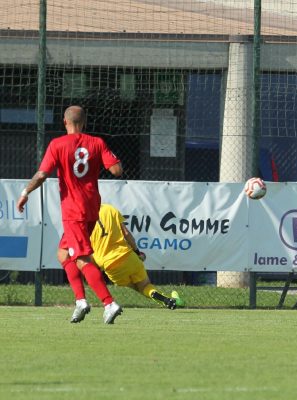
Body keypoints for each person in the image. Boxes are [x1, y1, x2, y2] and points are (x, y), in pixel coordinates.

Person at [17, 105, 124, 324]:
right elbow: (116, 170)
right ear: (84, 122)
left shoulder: (57, 144)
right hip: (93, 207)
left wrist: (25, 191)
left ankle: (108, 302)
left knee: (82, 258)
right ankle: (80, 301)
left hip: (73, 210)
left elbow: (42, 174)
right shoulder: (97, 142)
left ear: (64, 122)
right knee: (64, 254)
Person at [88, 204, 184, 309]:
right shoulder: (109, 209)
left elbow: (87, 252)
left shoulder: (82, 218)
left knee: (139, 289)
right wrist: (137, 252)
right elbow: (126, 233)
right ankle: (166, 299)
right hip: (127, 256)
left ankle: (166, 300)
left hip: (110, 266)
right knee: (144, 286)